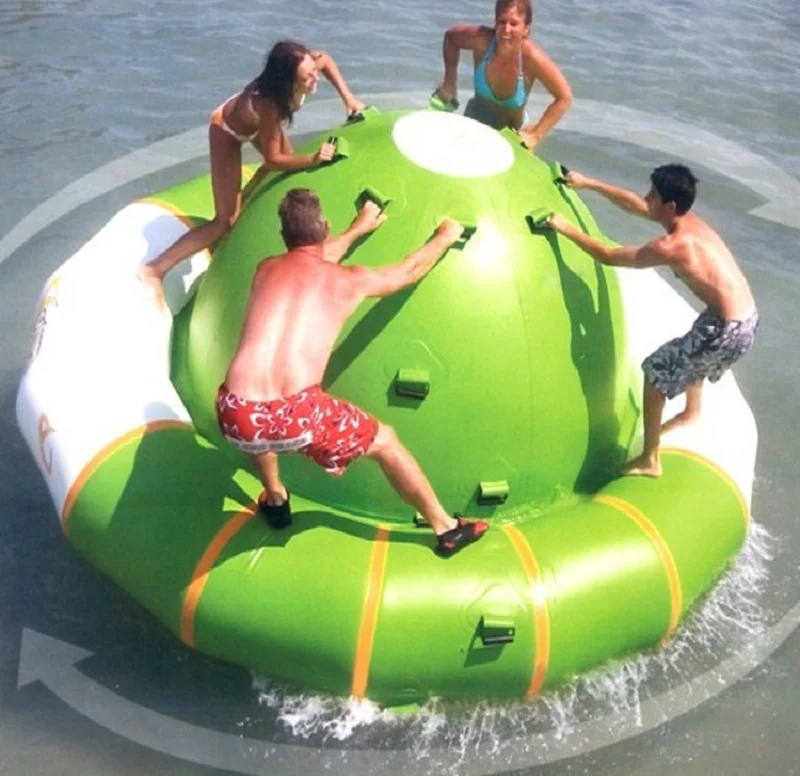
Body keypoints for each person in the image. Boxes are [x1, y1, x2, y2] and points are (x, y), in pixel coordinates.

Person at [216, 188, 490, 557]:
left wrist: (358, 229)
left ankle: (276, 498)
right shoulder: (349, 280)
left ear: (283, 236)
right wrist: (443, 237)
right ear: (325, 228)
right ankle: (447, 528)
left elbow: (307, 262)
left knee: (260, 414)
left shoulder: (266, 268)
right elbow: (407, 271)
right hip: (298, 415)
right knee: (387, 442)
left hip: (236, 411)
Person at [545, 163, 758, 477]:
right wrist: (588, 183)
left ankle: (650, 459)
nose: (646, 198)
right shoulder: (690, 222)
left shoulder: (673, 246)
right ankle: (691, 411)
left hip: (728, 330)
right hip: (745, 317)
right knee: (694, 343)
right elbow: (636, 205)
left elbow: (609, 256)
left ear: (669, 206)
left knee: (655, 372)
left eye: (653, 195)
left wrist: (564, 228)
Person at [139, 40, 365, 308]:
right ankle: (155, 269)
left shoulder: (306, 66)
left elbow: (324, 59)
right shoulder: (269, 106)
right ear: (287, 80)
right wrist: (313, 159)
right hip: (228, 132)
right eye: (307, 76)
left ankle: (242, 203)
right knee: (225, 221)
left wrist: (348, 99)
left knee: (290, 170)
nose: (315, 77)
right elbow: (274, 158)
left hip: (257, 125)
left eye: (312, 70)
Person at [432, 0, 572, 149]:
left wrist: (536, 134)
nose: (506, 29)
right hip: (474, 124)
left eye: (514, 24)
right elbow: (451, 37)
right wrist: (449, 83)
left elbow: (564, 97)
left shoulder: (531, 58)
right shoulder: (482, 41)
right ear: (495, 22)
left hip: (512, 137)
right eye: (502, 21)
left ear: (526, 28)